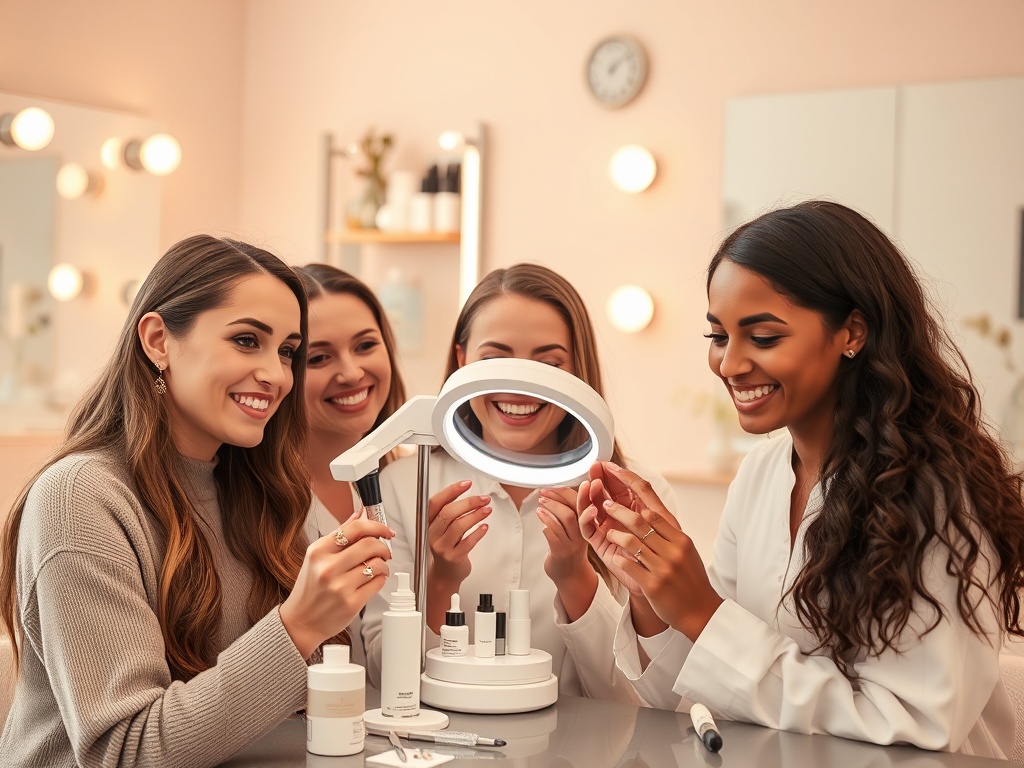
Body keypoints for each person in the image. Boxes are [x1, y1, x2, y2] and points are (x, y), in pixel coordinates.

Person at [578, 200, 1024, 756]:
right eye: (718, 336)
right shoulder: (762, 476)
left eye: (763, 337)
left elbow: (917, 731)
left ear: (851, 333)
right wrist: (651, 592)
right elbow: (705, 697)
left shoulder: (934, 493)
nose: (731, 364)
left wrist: (700, 611)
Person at [0, 236, 392, 766]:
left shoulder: (264, 491)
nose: (277, 376)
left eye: (287, 352)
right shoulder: (81, 500)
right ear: (159, 339)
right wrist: (297, 625)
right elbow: (125, 752)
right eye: (247, 341)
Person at [361, 263, 676, 702]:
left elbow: (646, 697)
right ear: (461, 360)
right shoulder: (400, 488)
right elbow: (382, 677)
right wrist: (442, 579)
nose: (522, 386)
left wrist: (575, 576)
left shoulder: (632, 497)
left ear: (576, 374)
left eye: (548, 364)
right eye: (496, 361)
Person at [295, 263, 406, 667]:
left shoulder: (405, 482)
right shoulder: (258, 502)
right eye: (319, 357)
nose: (352, 372)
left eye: (364, 346)